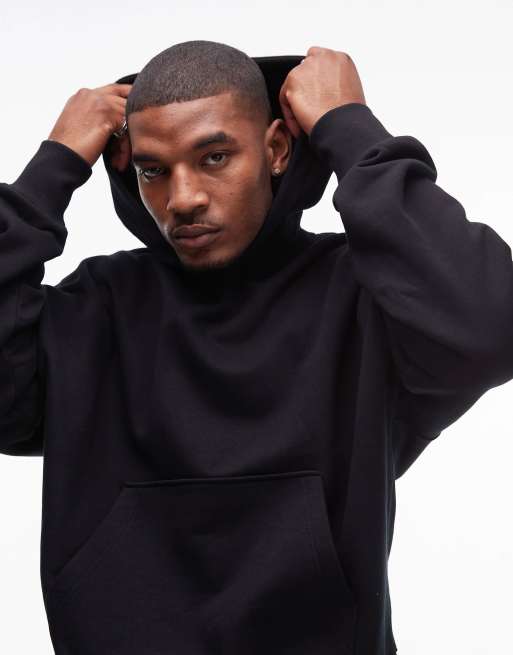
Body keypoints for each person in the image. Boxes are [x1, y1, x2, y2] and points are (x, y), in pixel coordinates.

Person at [1, 39, 512, 655]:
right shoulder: (95, 308)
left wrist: (349, 128)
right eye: (153, 170)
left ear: (275, 150)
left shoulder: (363, 300)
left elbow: (491, 327)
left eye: (214, 157)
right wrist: (53, 166)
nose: (182, 198)